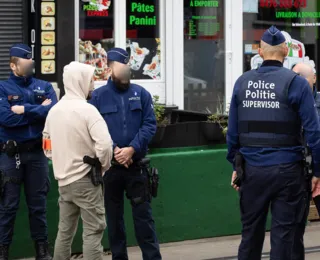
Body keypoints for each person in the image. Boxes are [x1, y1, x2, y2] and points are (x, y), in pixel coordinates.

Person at [227, 26, 320, 260]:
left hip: (252, 171)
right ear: (286, 51)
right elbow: (314, 133)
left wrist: (236, 167)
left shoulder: (242, 83)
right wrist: (317, 171)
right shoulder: (297, 83)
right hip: (288, 172)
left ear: (260, 50)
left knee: (250, 236)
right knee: (284, 237)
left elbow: (233, 135)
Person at [89, 48, 162, 260]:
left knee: (144, 219)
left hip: (136, 167)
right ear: (110, 69)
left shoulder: (141, 94)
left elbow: (149, 125)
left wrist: (131, 149)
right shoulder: (98, 97)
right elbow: (94, 128)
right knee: (114, 221)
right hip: (110, 169)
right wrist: (114, 150)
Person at [42, 61, 113, 260]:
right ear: (80, 81)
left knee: (64, 232)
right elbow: (106, 145)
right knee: (93, 231)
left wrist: (60, 159)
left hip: (64, 181)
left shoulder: (53, 111)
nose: (93, 85)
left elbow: (47, 146)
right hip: (87, 179)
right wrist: (104, 165)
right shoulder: (88, 110)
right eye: (90, 80)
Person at [0, 44, 57, 260]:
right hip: (10, 155)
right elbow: (6, 119)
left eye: (31, 62)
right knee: (8, 206)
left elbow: (54, 112)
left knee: (38, 206)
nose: (31, 65)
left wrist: (24, 109)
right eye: (25, 63)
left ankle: (42, 251)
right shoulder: (3, 88)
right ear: (13, 65)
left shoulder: (44, 86)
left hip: (37, 154)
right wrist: (40, 109)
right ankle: (3, 251)